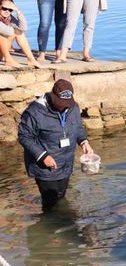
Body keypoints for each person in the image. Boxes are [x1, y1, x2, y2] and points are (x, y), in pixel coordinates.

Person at [18, 79, 94, 211]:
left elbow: (78, 127)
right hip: (44, 167)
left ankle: (62, 220)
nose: (63, 107)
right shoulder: (35, 112)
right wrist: (43, 156)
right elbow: (24, 136)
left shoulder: (73, 107)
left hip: (65, 163)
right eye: (60, 103)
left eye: (66, 104)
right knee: (50, 202)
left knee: (61, 196)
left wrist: (84, 142)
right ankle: (49, 221)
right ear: (53, 96)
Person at [0, 0, 42, 69]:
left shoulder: (9, 18)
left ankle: (31, 59)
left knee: (19, 33)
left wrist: (18, 11)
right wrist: (14, 29)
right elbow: (9, 32)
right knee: (3, 34)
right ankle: (8, 60)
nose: (7, 11)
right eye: (4, 8)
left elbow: (23, 28)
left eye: (10, 9)